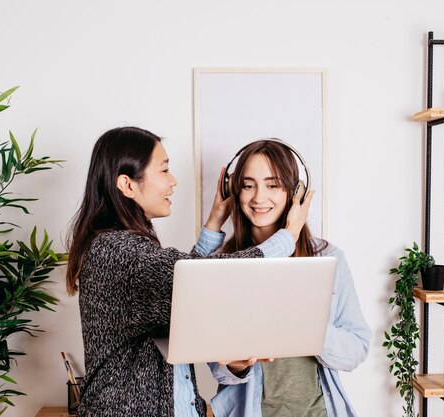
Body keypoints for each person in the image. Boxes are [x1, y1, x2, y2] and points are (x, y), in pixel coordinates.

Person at [65, 127, 313, 417]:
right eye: (164, 170)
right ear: (127, 185)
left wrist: (214, 223)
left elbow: (183, 288)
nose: (173, 181)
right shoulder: (118, 251)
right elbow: (198, 279)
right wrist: (288, 237)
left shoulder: (123, 248)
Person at [209, 139, 372, 417]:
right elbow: (219, 369)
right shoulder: (222, 262)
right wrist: (236, 364)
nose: (259, 197)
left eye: (273, 185)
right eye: (248, 185)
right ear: (234, 191)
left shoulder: (328, 258)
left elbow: (356, 350)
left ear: (295, 192)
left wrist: (308, 324)